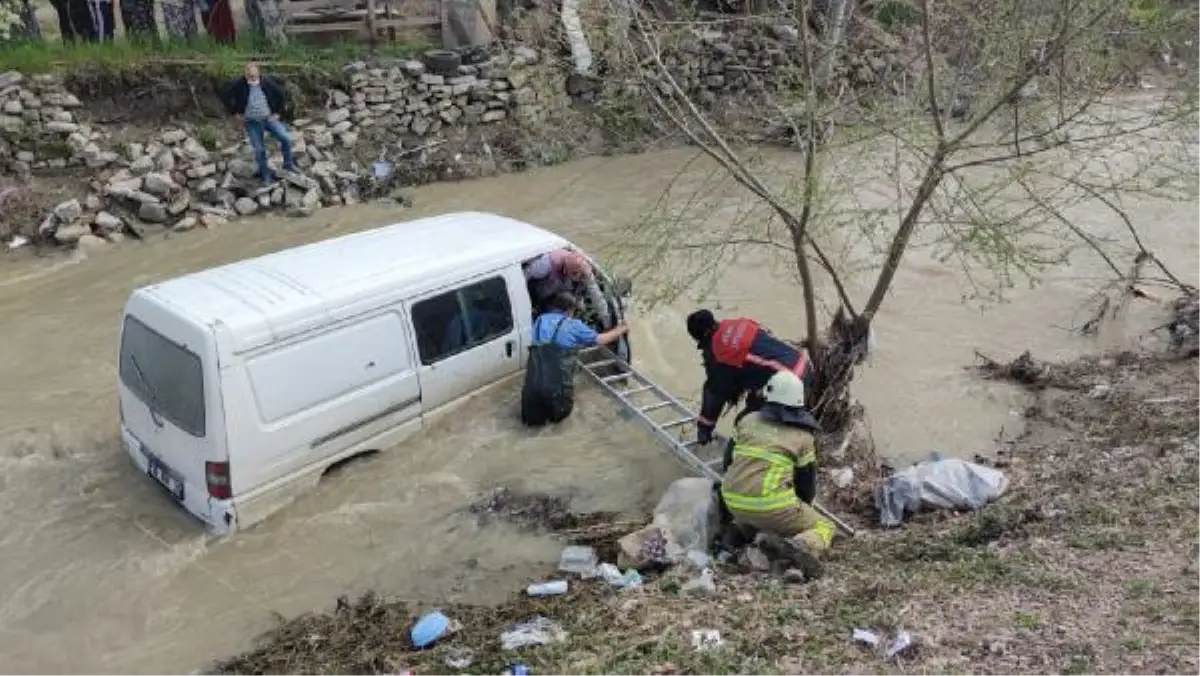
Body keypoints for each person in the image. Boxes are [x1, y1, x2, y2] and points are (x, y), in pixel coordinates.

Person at [718, 370, 833, 580]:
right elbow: (806, 488)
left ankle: (734, 537)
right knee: (825, 526)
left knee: (754, 518)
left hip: (732, 501)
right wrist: (799, 510)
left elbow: (727, 462)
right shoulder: (803, 437)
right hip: (772, 506)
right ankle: (800, 547)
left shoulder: (747, 421)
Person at [687, 309, 816, 446]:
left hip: (790, 384)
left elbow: (715, 394)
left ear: (703, 336)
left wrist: (704, 429)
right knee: (755, 400)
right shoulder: (738, 324)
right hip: (804, 367)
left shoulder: (719, 354)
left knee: (744, 424)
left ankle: (735, 461)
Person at [521, 293, 629, 427]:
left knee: (532, 426)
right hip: (557, 392)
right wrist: (621, 329)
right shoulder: (573, 325)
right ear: (570, 310)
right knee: (558, 426)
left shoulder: (540, 320)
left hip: (531, 390)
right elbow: (601, 340)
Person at [222, 62, 299, 185]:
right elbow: (225, 94)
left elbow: (281, 95)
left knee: (285, 138)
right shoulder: (239, 84)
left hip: (269, 118)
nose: (252, 79)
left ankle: (288, 165)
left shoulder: (266, 82)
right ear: (245, 75)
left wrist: (278, 113)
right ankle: (265, 176)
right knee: (259, 149)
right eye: (249, 76)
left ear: (258, 73)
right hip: (252, 122)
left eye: (254, 76)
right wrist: (235, 112)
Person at [524, 249, 613, 328]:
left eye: (583, 276)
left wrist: (606, 320)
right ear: (566, 271)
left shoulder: (585, 271)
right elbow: (524, 277)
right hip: (539, 287)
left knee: (578, 305)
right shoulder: (543, 266)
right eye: (578, 276)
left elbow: (596, 295)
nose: (582, 279)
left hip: (559, 286)